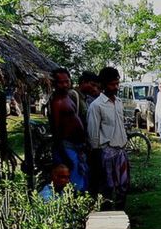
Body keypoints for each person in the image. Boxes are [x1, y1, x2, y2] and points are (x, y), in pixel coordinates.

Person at [87, 67, 130, 210]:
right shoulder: (96, 106)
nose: (116, 87)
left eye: (117, 84)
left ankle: (121, 216)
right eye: (112, 84)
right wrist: (96, 155)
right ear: (104, 85)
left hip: (121, 151)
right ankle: (107, 217)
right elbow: (93, 133)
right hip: (106, 152)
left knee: (123, 188)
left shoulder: (118, 102)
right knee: (107, 189)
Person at [49, 68, 88, 192]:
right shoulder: (57, 102)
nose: (65, 85)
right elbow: (56, 131)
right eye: (61, 82)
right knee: (71, 186)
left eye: (67, 81)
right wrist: (65, 157)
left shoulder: (69, 98)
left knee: (80, 183)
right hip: (67, 148)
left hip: (76, 148)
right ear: (55, 84)